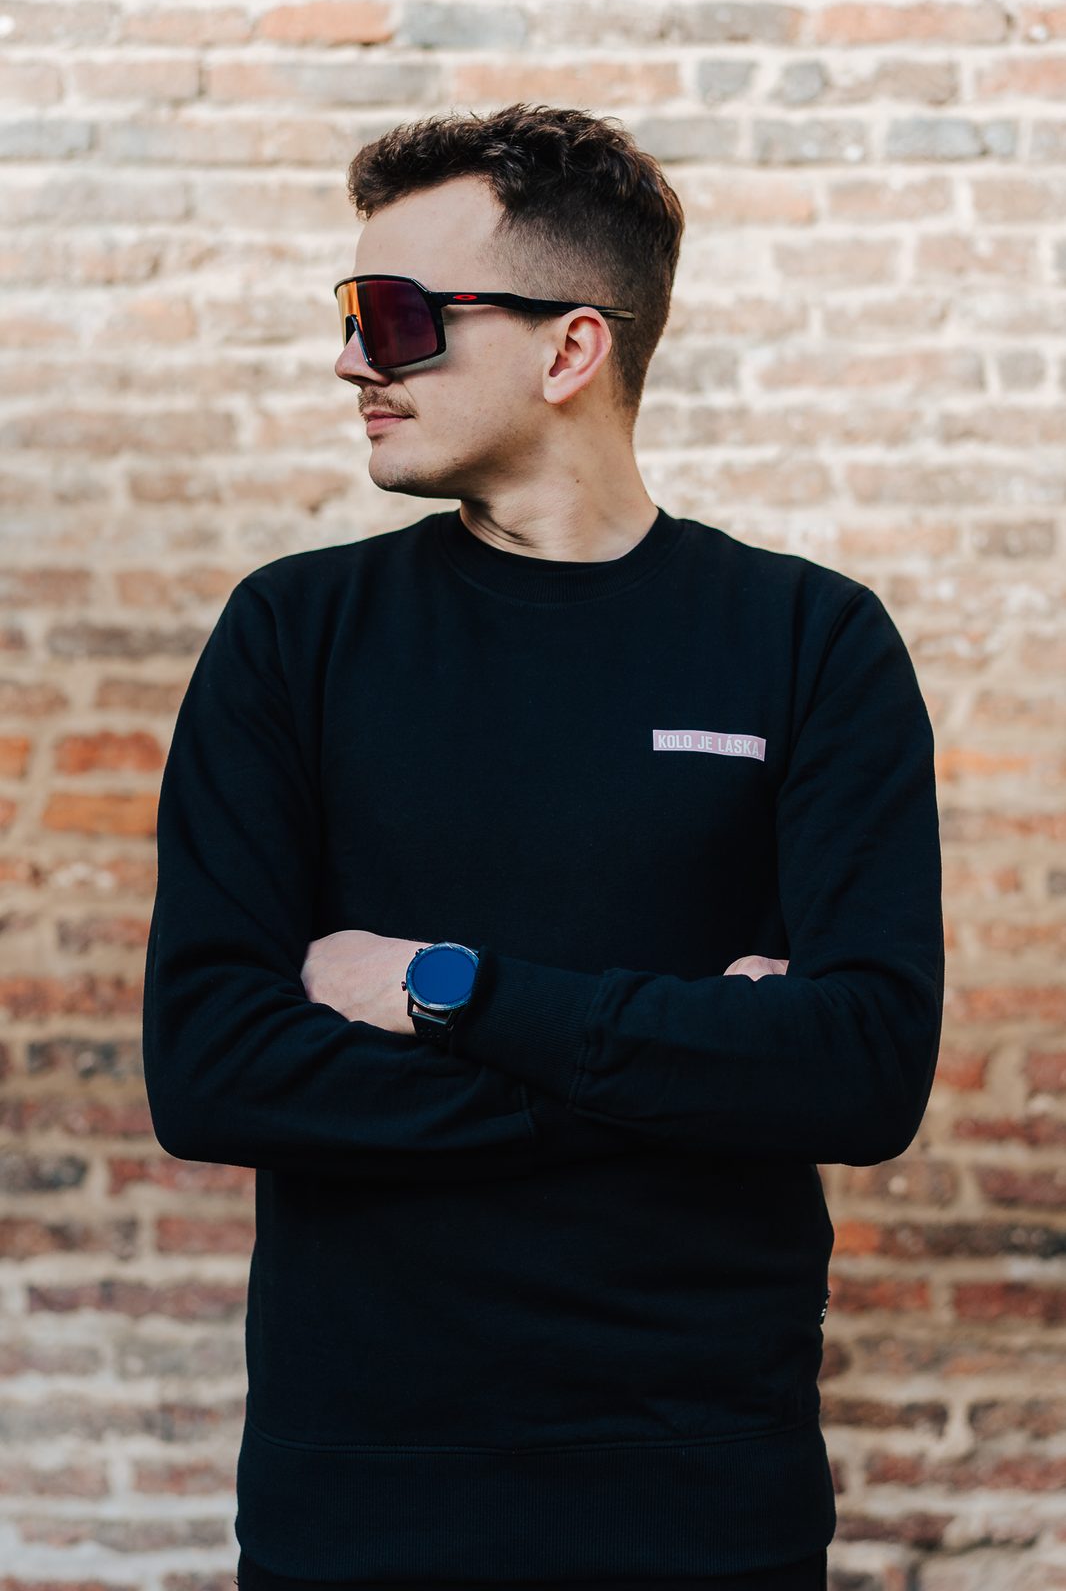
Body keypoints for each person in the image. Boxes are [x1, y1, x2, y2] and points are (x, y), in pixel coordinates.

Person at [142, 102, 944, 1591]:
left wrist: (450, 991)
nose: (351, 361)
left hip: (702, 1485)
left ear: (571, 349)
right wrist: (693, 1068)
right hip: (362, 1487)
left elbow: (861, 1071)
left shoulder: (808, 641)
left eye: (394, 316)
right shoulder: (294, 637)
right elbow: (210, 1069)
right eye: (348, 315)